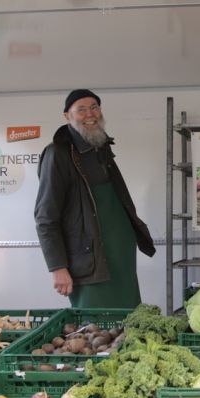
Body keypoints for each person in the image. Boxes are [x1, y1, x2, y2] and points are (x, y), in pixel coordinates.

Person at [34, 89, 155, 308]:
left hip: (121, 256)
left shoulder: (101, 147)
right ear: (67, 116)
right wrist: (58, 267)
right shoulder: (57, 153)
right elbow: (45, 217)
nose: (90, 114)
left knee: (128, 319)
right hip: (89, 259)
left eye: (94, 107)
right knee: (93, 324)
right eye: (81, 109)